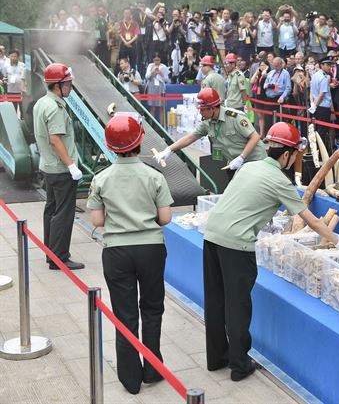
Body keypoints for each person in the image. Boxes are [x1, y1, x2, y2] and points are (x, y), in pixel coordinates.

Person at [202, 121, 339, 380]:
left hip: (212, 235)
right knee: (238, 305)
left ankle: (217, 358)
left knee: (216, 300)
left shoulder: (249, 167)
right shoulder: (279, 180)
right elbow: (312, 220)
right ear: (286, 154)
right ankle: (240, 366)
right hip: (236, 244)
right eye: (295, 155)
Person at [87, 113, 173, 394]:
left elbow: (98, 221)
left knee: (124, 314)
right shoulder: (155, 176)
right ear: (139, 141)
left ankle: (130, 378)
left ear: (111, 147)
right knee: (152, 308)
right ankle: (152, 368)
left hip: (117, 251)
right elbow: (165, 217)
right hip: (151, 249)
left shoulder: (101, 179)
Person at [33, 63, 85, 270]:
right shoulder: (55, 108)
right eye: (68, 84)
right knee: (64, 213)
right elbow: (55, 140)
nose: (70, 88)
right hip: (61, 170)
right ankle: (60, 257)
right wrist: (72, 166)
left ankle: (50, 253)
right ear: (57, 85)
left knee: (51, 210)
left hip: (48, 166)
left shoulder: (42, 103)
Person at [154, 88, 265, 178]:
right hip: (235, 163)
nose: (200, 112)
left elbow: (255, 137)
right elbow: (191, 137)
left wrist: (242, 157)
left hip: (253, 160)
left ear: (212, 108)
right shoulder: (207, 122)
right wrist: (168, 150)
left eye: (203, 109)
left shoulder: (234, 117)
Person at [309, 56, 334, 146]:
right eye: (327, 65)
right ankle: (320, 153)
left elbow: (311, 92)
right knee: (322, 132)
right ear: (321, 65)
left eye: (330, 65)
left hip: (317, 106)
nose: (329, 67)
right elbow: (322, 94)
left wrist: (312, 104)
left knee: (317, 130)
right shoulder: (323, 78)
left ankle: (316, 151)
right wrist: (315, 105)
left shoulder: (315, 76)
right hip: (323, 107)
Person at [262, 57, 291, 129]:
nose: (275, 67)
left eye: (277, 65)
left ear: (281, 64)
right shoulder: (271, 73)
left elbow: (288, 88)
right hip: (269, 99)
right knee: (268, 121)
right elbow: (265, 85)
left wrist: (282, 97)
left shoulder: (285, 74)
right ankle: (268, 137)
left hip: (278, 99)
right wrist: (270, 86)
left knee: (279, 122)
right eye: (274, 65)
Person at [145, 53, 170, 124]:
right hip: (151, 87)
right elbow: (147, 77)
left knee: (161, 108)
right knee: (152, 107)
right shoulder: (150, 66)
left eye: (158, 60)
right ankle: (151, 125)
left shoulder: (163, 66)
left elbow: (167, 79)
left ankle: (161, 126)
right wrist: (152, 71)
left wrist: (161, 73)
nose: (156, 61)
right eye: (155, 60)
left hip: (161, 87)